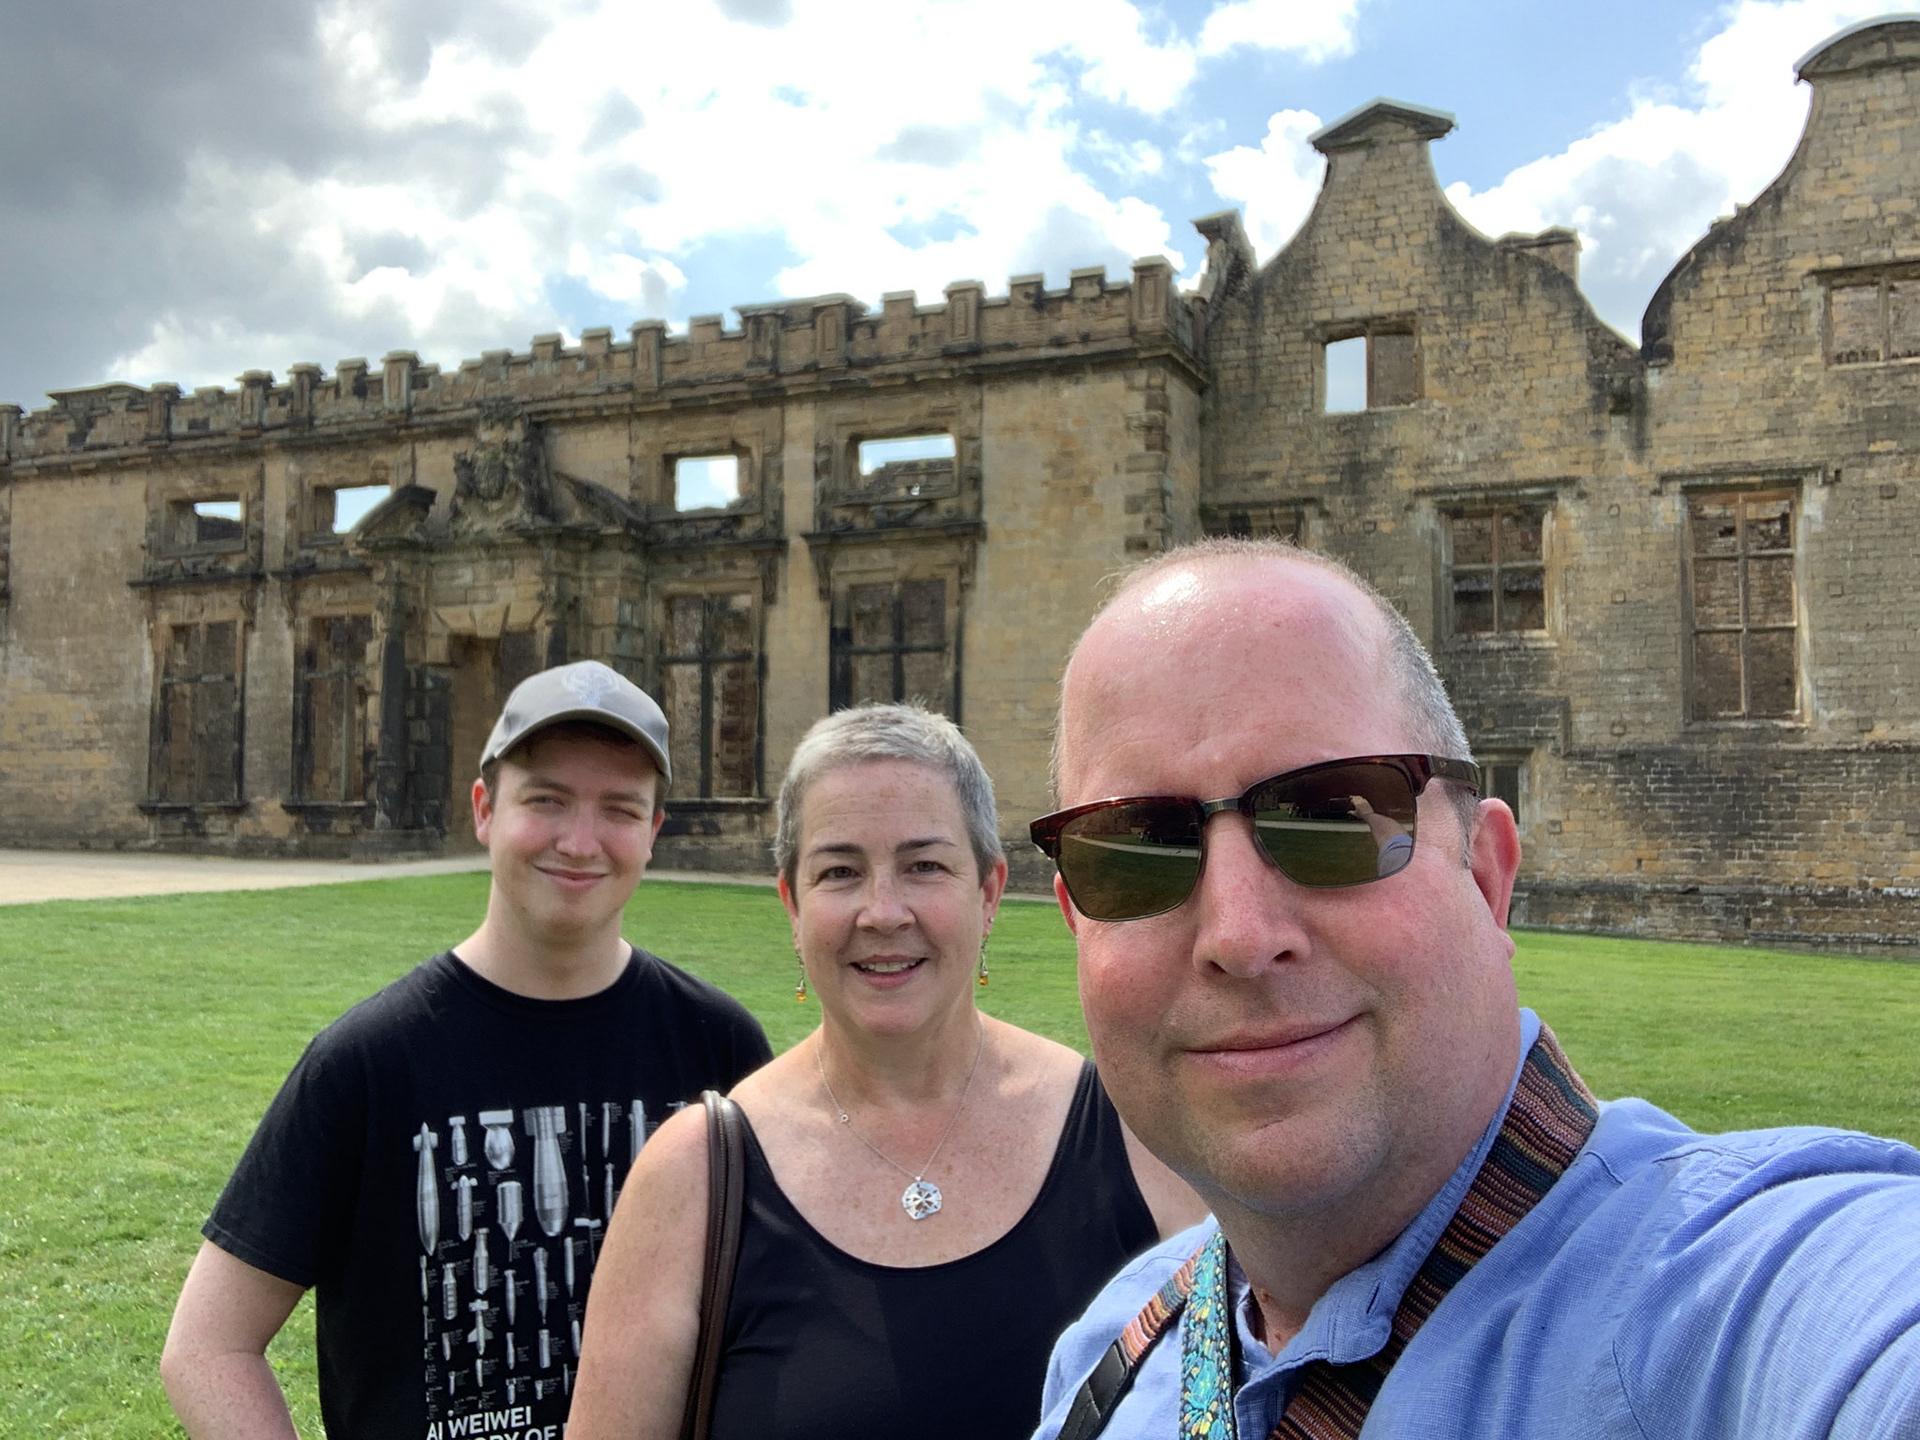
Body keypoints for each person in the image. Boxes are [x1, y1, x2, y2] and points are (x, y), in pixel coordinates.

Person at [1029, 539, 1920, 1440]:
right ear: (1077, 925)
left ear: (1487, 878)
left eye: (1333, 817)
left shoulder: (1746, 1303)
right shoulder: (1111, 1358)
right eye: (1135, 850)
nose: (1240, 937)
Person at [161, 660, 774, 1440]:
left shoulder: (718, 1046)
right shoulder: (368, 1062)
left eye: (619, 809)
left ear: (652, 832)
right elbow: (208, 1345)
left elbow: (780, 1316)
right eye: (545, 800)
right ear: (485, 809)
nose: (579, 842)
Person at [568, 703, 1206, 1440]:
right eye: (840, 871)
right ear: (792, 905)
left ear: (989, 892)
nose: (882, 912)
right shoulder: (694, 1180)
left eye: (923, 866)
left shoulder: (1138, 1137)